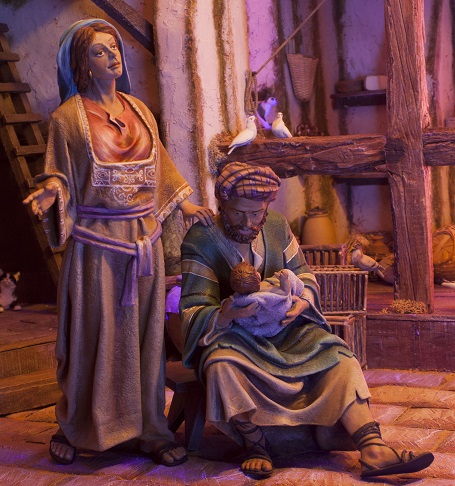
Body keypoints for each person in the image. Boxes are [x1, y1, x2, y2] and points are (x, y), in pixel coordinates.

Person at [23, 19, 213, 467]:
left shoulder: (140, 110)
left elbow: (161, 166)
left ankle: (149, 428)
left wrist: (184, 204)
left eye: (114, 48)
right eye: (100, 51)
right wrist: (51, 191)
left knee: (146, 341)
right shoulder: (67, 119)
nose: (112, 56)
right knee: (93, 337)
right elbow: (60, 172)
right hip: (97, 249)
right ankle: (78, 426)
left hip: (143, 246)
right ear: (83, 65)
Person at [179, 161, 434, 479]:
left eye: (256, 213)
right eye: (238, 213)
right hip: (234, 335)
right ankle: (257, 445)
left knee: (338, 355)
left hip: (287, 328)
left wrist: (302, 302)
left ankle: (372, 448)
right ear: (222, 204)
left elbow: (303, 274)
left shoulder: (276, 225)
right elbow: (193, 306)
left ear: (266, 207)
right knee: (221, 367)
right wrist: (226, 314)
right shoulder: (201, 239)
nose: (248, 222)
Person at [229, 262, 307, 337]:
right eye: (255, 272)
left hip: (260, 329)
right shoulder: (265, 289)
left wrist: (304, 303)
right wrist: (284, 279)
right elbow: (284, 292)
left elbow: (232, 305)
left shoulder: (239, 297)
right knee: (289, 274)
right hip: (278, 317)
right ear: (257, 276)